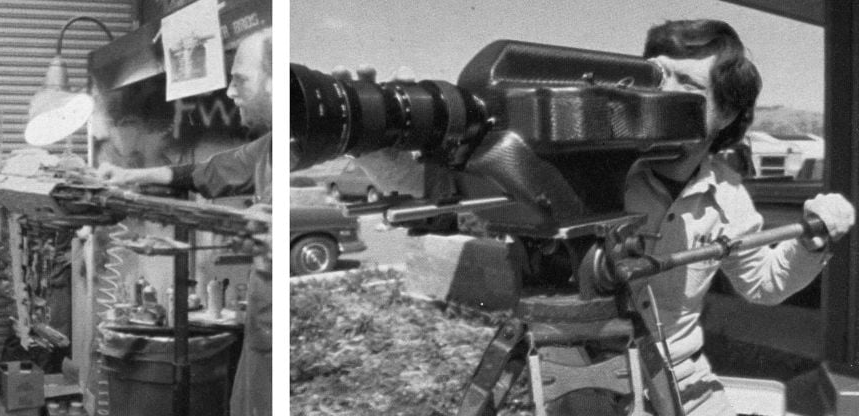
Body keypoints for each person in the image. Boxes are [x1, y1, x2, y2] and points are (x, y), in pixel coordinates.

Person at [350, 19, 855, 415]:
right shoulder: (582, 160)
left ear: (725, 114)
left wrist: (813, 241)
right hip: (581, 381)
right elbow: (431, 183)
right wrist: (368, 134)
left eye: (685, 83)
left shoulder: (728, 193)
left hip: (685, 385)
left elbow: (763, 284)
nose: (660, 91)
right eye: (655, 74)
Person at [96, 28, 272, 416]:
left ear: (274, 83)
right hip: (259, 337)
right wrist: (131, 177)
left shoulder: (293, 153)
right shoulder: (266, 150)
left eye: (240, 79)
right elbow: (206, 172)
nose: (230, 92)